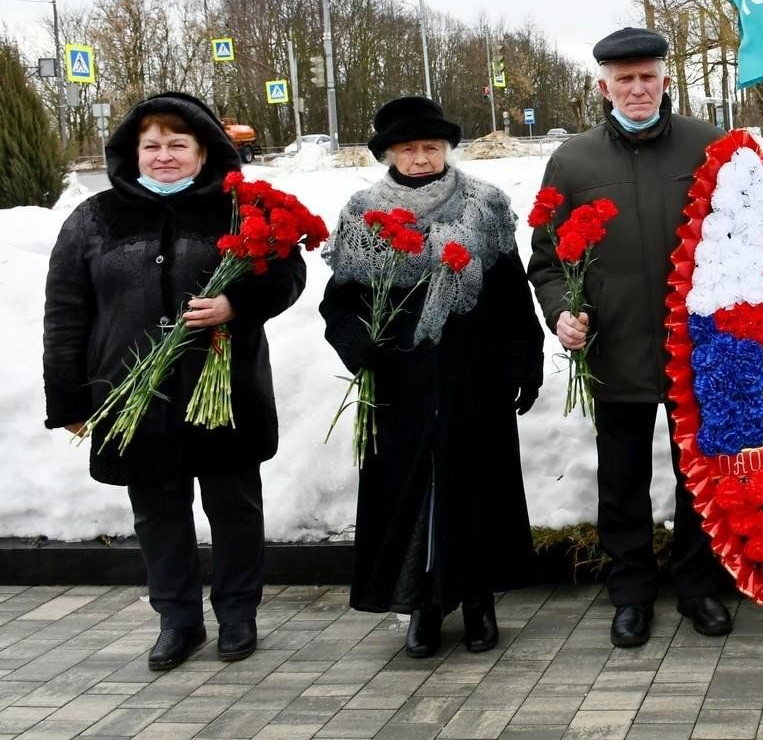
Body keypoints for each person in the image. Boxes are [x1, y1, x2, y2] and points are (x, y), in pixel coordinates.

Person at [43, 93, 307, 671]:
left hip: (223, 388)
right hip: (130, 391)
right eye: (152, 146)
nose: (164, 156)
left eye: (177, 145)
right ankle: (177, 621)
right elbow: (66, 311)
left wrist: (237, 303)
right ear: (132, 152)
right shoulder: (95, 217)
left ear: (203, 149)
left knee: (233, 505)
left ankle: (238, 614)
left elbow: (288, 274)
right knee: (156, 510)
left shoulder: (239, 208)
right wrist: (67, 396)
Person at [528, 28, 733, 649]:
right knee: (621, 479)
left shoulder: (711, 146)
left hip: (697, 347)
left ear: (665, 80)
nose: (637, 88)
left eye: (647, 76)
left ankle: (699, 584)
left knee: (700, 470)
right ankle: (632, 592)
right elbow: (545, 257)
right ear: (604, 87)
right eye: (625, 80)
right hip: (614, 348)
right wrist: (563, 312)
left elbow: (748, 238)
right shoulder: (574, 161)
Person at [320, 96, 541, 658]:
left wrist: (524, 360)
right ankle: (421, 604)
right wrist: (356, 342)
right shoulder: (362, 214)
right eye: (409, 148)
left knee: (476, 488)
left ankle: (478, 602)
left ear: (446, 148)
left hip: (476, 377)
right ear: (389, 153)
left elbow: (513, 292)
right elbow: (340, 301)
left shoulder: (485, 207)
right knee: (411, 493)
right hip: (400, 379)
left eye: (431, 147)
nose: (421, 158)